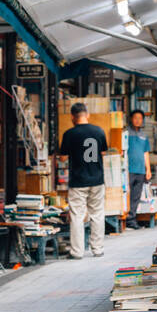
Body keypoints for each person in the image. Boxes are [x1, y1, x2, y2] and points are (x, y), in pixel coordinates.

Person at [59, 102, 107, 257]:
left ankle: (77, 251)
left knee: (77, 216)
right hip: (97, 178)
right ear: (87, 115)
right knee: (97, 214)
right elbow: (104, 153)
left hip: (78, 180)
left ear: (72, 117)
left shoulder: (69, 134)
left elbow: (63, 157)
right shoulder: (99, 131)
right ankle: (97, 248)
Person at [125, 109, 150, 230]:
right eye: (135, 118)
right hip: (128, 169)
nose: (138, 120)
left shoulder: (144, 136)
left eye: (140, 118)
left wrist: (148, 169)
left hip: (140, 170)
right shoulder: (125, 132)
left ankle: (132, 219)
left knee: (136, 196)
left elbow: (146, 153)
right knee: (127, 194)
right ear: (131, 119)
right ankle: (125, 218)